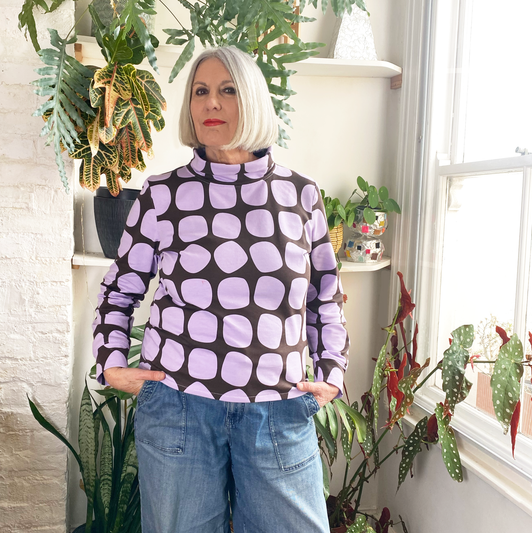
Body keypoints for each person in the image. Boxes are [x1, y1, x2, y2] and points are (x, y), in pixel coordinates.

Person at [92, 45, 348, 533]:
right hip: (179, 407)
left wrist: (332, 373)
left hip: (278, 409)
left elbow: (325, 297)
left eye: (228, 90)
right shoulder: (162, 194)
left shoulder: (300, 195)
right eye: (200, 91)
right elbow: (120, 289)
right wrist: (111, 362)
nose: (211, 102)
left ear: (252, 99)